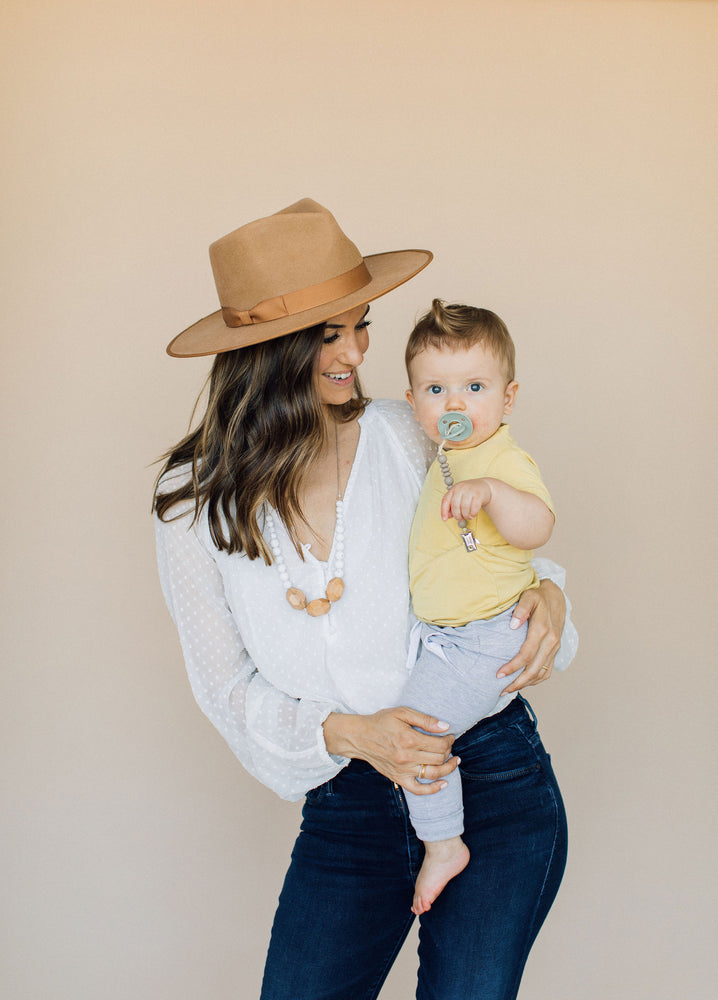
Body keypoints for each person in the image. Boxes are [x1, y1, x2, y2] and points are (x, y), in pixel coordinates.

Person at [153, 198, 576, 1000]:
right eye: (328, 334)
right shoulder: (191, 502)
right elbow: (225, 688)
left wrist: (550, 596)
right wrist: (351, 733)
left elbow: (496, 554)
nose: (356, 353)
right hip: (347, 804)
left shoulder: (410, 433)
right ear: (264, 350)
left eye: (361, 326)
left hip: (489, 775)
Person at [400, 300, 557, 916]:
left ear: (508, 398)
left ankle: (444, 844)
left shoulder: (500, 460)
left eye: (474, 387)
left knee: (417, 735)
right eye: (436, 389)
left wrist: (491, 492)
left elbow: (537, 526)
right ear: (413, 402)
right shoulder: (442, 456)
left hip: (489, 633)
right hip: (453, 636)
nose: (455, 404)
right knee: (418, 726)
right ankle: (442, 836)